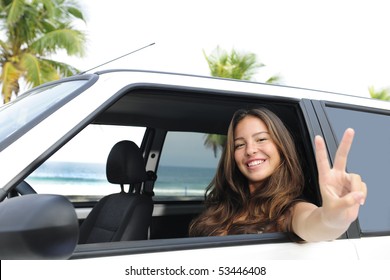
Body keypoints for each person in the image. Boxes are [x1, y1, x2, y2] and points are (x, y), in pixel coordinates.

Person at [189, 108, 367, 242]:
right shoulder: (225, 205)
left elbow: (315, 223)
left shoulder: (290, 210)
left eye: (261, 139)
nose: (250, 150)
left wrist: (333, 218)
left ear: (281, 147)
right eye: (239, 145)